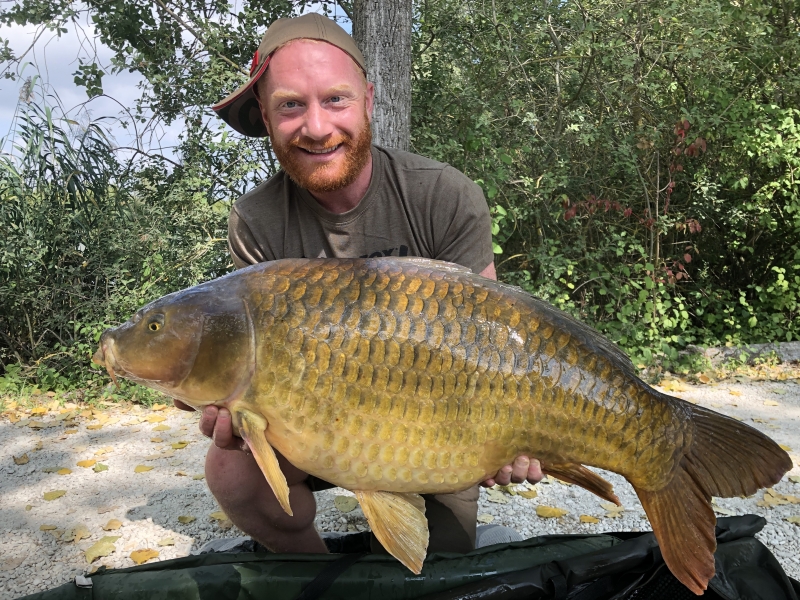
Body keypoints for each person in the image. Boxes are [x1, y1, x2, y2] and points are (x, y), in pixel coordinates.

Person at [175, 12, 542, 558]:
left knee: (438, 566)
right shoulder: (256, 220)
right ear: (267, 118)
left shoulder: (444, 196)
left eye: (336, 100)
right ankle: (319, 577)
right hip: (312, 426)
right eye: (291, 105)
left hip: (438, 426)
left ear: (369, 99)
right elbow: (240, 364)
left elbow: (493, 340)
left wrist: (513, 431)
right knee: (231, 469)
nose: (317, 127)